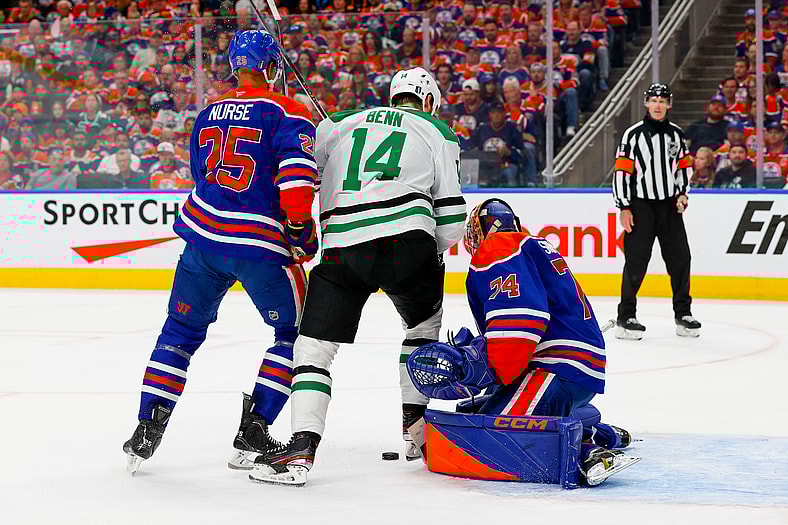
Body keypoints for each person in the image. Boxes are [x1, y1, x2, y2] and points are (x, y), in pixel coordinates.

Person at [250, 67, 467, 487]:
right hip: (409, 243)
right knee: (422, 331)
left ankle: (301, 448)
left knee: (313, 350)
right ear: (428, 102)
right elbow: (454, 218)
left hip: (344, 245)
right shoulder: (437, 129)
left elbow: (301, 175)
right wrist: (427, 253)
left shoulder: (339, 125)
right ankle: (416, 432)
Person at [122, 29, 319, 475]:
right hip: (260, 247)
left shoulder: (208, 112)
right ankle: (255, 427)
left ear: (235, 68)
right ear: (271, 68)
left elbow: (202, 175)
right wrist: (301, 232)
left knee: (178, 334)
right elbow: (295, 185)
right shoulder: (288, 111)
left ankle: (146, 428)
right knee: (298, 335)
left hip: (202, 241)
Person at [404, 199, 640, 486]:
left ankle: (588, 450)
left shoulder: (498, 248)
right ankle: (601, 432)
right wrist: (480, 350)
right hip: (572, 365)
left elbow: (522, 320)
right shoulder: (528, 245)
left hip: (555, 367)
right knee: (475, 412)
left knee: (490, 436)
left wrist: (485, 367)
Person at [612, 83, 701, 340]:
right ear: (647, 103)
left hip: (670, 205)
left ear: (669, 104)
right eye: (654, 100)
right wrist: (624, 206)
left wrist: (683, 192)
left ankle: (683, 314)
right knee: (636, 261)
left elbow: (683, 167)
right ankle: (625, 317)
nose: (658, 105)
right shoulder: (632, 135)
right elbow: (621, 173)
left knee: (681, 258)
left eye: (663, 100)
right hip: (641, 205)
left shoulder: (676, 135)